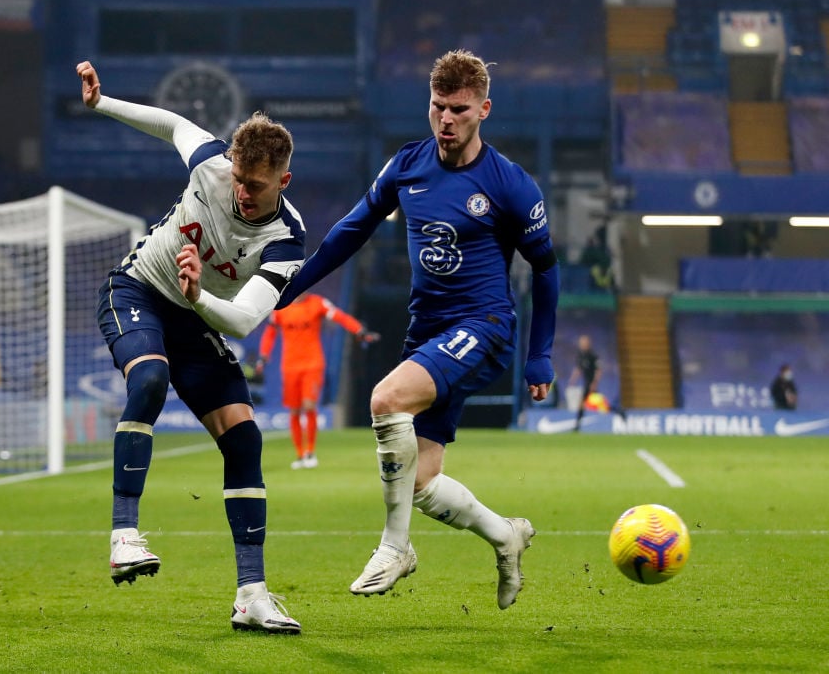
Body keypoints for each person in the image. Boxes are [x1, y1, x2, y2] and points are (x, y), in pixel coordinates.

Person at [277, 49, 559, 609]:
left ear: (484, 110)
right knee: (423, 483)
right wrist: (293, 285)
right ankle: (506, 534)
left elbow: (546, 269)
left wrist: (540, 354)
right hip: (427, 330)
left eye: (458, 109)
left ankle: (395, 547)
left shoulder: (510, 185)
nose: (445, 120)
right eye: (437, 108)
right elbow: (351, 230)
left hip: (483, 324)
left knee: (386, 399)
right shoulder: (406, 165)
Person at [78, 61, 304, 634]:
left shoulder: (286, 239)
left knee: (244, 439)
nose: (242, 193)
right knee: (149, 378)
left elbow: (246, 322)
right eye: (237, 178)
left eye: (256, 185)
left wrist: (199, 296)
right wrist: (103, 103)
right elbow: (171, 123)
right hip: (138, 291)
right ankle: (124, 534)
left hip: (197, 314)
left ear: (284, 181)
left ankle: (252, 594)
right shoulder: (212, 164)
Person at [256, 293, 380, 469]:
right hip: (290, 366)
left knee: (309, 406)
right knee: (294, 410)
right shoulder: (280, 308)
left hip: (312, 364)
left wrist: (359, 330)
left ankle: (310, 452)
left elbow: (340, 317)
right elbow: (270, 332)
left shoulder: (318, 303)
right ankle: (300, 455)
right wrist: (263, 356)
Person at [569, 334, 600, 431]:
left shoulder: (592, 356)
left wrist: (594, 383)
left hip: (591, 384)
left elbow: (598, 370)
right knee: (584, 404)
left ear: (588, 344)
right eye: (581, 343)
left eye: (584, 343)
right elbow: (578, 369)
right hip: (587, 384)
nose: (582, 345)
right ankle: (577, 425)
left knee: (600, 404)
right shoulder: (581, 355)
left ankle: (618, 413)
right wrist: (573, 379)